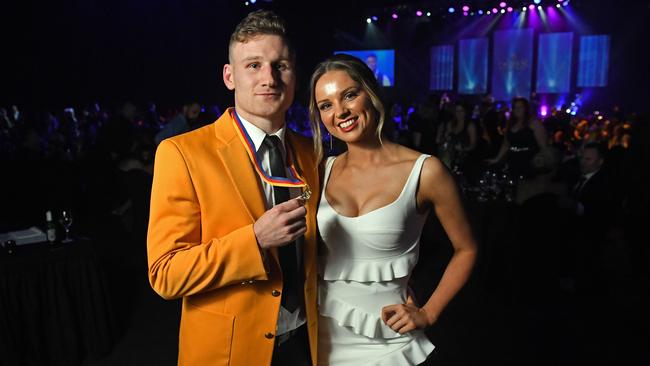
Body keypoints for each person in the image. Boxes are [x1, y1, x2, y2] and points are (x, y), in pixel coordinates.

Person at [147, 10, 320, 366]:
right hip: (229, 352)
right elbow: (165, 274)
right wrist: (254, 241)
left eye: (280, 65)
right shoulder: (182, 153)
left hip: (306, 344)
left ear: (295, 76)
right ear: (229, 76)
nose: (269, 78)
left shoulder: (311, 153)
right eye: (253, 65)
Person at [308, 54, 477, 365]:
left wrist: (428, 310)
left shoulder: (425, 171)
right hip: (321, 340)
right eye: (326, 105)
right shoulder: (319, 170)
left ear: (371, 93)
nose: (340, 111)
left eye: (349, 95)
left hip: (389, 342)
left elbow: (466, 249)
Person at [486, 97, 547, 179]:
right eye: (515, 107)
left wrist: (542, 161)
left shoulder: (534, 123)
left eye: (520, 107)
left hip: (528, 160)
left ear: (526, 109)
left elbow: (543, 146)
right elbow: (506, 144)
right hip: (512, 159)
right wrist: (496, 159)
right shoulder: (511, 124)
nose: (517, 110)